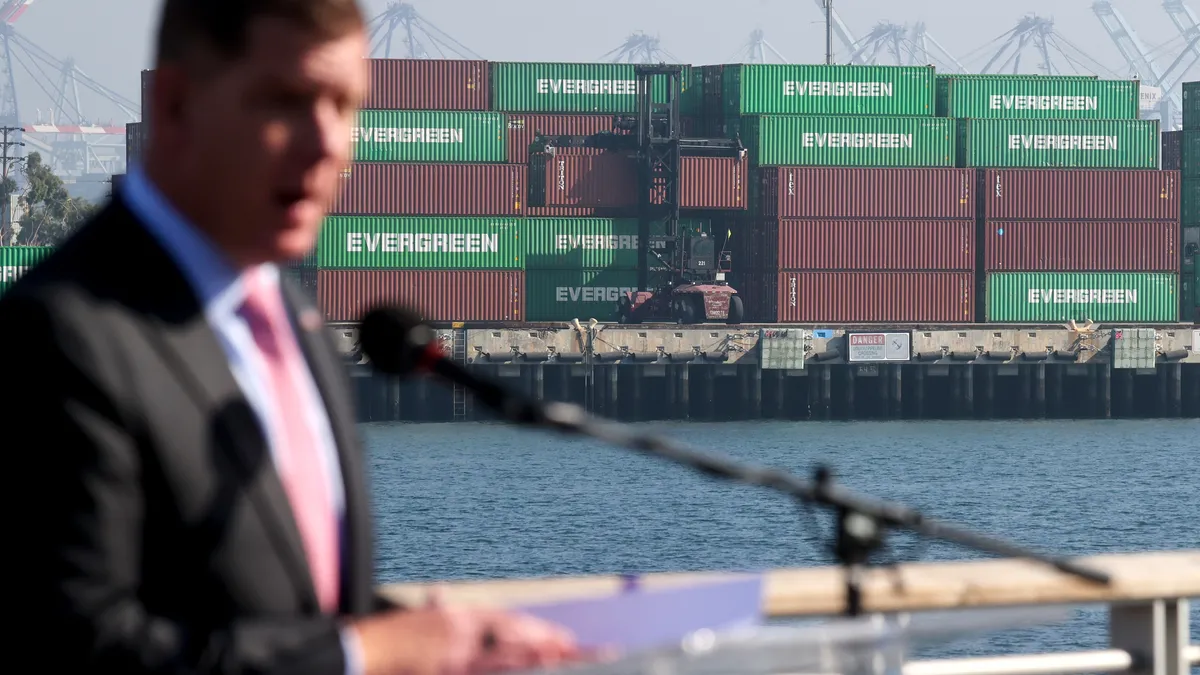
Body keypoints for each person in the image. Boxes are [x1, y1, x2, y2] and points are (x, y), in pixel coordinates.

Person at [0, 1, 582, 674]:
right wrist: (365, 652)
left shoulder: (294, 322)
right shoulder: (59, 337)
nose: (327, 143)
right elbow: (77, 645)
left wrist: (450, 637)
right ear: (176, 104)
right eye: (287, 101)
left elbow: (305, 602)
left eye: (345, 106)